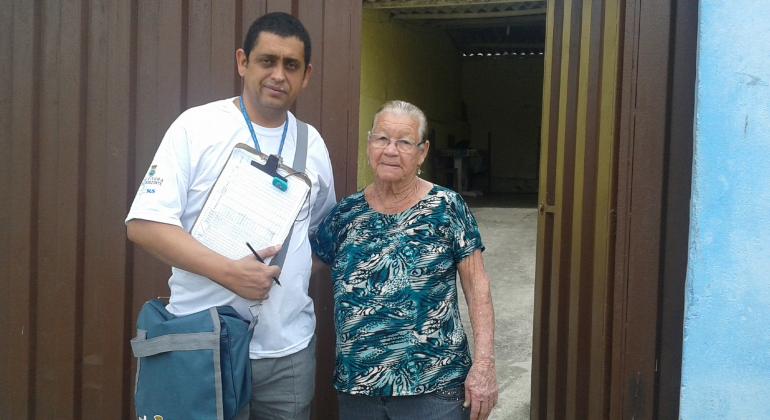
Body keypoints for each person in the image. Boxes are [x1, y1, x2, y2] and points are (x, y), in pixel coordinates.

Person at [125, 12, 336, 420]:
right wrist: (228, 272)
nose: (278, 74)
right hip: (204, 343)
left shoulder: (312, 145)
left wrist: (286, 277)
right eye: (266, 61)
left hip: (286, 351)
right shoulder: (196, 127)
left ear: (306, 75)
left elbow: (321, 233)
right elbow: (144, 224)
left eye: (290, 65)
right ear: (242, 62)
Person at [312, 100, 498, 420]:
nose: (390, 150)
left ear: (422, 152)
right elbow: (305, 266)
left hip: (434, 389)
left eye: (404, 142)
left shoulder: (446, 207)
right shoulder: (346, 214)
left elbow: (477, 286)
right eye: (382, 138)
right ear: (370, 143)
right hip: (358, 391)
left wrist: (483, 367)